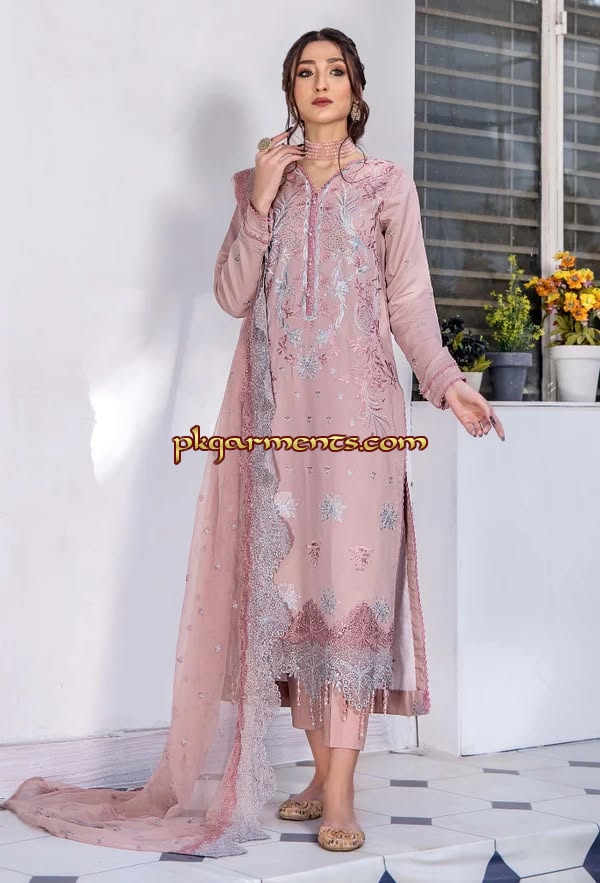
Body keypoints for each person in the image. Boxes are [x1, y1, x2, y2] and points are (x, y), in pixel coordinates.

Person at [2, 27, 505, 858]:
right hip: (277, 424)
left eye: (335, 70)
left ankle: (340, 789)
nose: (321, 83)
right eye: (306, 71)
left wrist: (448, 384)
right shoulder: (261, 180)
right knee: (295, 598)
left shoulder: (387, 186)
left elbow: (410, 302)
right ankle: (319, 775)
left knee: (350, 599)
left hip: (362, 424)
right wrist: (260, 202)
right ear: (290, 90)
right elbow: (233, 294)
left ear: (356, 89)